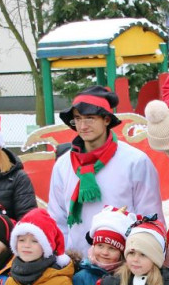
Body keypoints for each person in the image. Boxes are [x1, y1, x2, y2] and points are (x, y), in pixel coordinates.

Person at [48, 87, 162, 255]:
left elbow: (150, 218)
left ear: (107, 119)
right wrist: (63, 261)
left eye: (90, 118)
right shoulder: (63, 165)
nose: (82, 125)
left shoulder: (135, 161)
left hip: (123, 264)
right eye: (77, 119)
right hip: (76, 264)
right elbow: (57, 220)